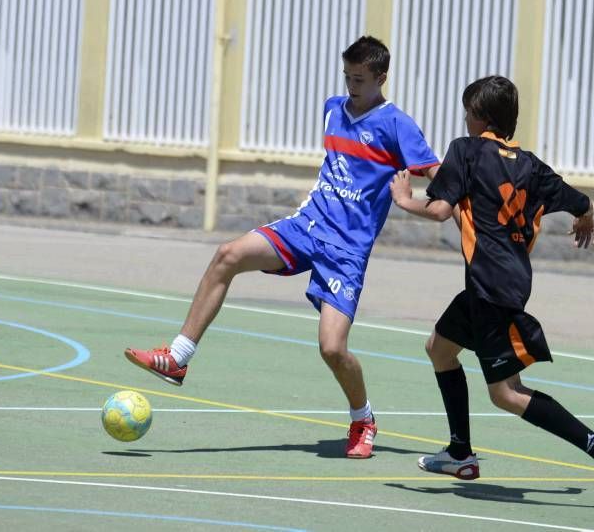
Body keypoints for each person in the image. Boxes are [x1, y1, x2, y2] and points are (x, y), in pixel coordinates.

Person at [124, 36, 440, 459]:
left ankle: (363, 418)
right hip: (307, 226)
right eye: (347, 76)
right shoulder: (333, 109)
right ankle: (179, 356)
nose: (351, 86)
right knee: (227, 255)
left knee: (331, 348)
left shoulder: (397, 124)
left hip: (347, 250)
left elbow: (440, 175)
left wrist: (422, 201)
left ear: (382, 78)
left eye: (360, 80)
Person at [388, 75, 594, 501]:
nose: (464, 120)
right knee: (439, 349)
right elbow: (583, 203)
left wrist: (405, 199)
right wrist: (587, 218)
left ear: (480, 118)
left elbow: (441, 209)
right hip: (503, 280)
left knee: (507, 394)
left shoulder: (465, 150)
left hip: (491, 287)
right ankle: (460, 452)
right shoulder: (532, 166)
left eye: (467, 113)